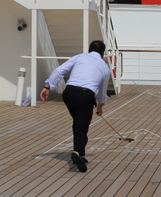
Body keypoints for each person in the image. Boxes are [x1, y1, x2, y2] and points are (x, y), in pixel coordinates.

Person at [41, 40, 111, 172]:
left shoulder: (80, 57)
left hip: (69, 93)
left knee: (79, 124)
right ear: (102, 54)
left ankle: (82, 155)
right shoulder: (105, 67)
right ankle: (77, 153)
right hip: (85, 96)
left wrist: (48, 86)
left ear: (89, 50)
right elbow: (102, 91)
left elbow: (59, 70)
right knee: (81, 126)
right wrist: (100, 107)